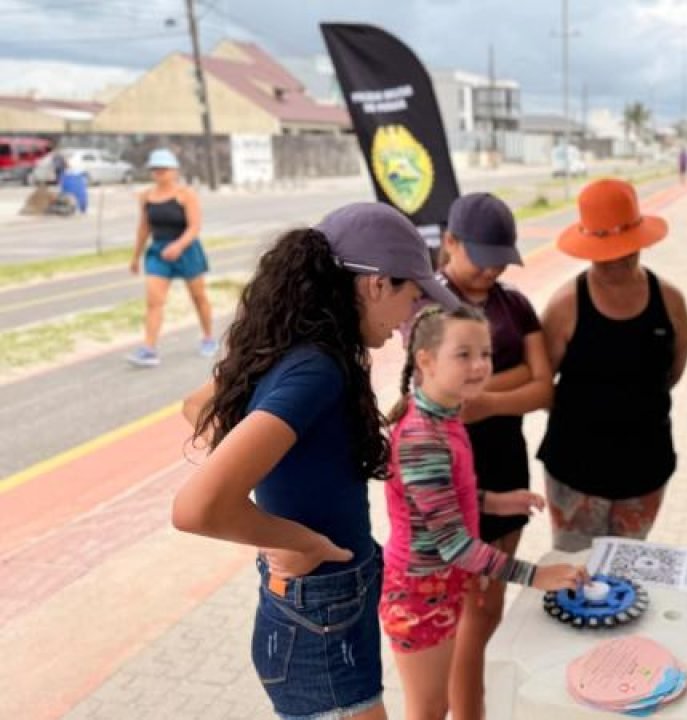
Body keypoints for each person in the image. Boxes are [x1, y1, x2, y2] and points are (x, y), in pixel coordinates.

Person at [172, 202, 458, 720]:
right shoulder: (317, 370)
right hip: (320, 622)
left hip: (318, 608)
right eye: (411, 296)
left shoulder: (290, 345)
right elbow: (196, 508)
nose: (408, 317)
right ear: (377, 284)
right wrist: (296, 540)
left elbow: (198, 406)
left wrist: (266, 478)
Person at [383, 305, 587, 720]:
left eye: (486, 354)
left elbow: (442, 499)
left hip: (442, 583)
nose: (479, 366)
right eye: (464, 354)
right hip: (418, 593)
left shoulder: (446, 413)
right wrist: (536, 576)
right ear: (426, 361)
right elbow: (453, 544)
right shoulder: (423, 436)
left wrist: (497, 501)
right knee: (428, 709)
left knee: (437, 704)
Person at [428, 193, 555, 720]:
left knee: (488, 603)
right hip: (452, 473)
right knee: (467, 609)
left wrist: (485, 400)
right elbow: (442, 392)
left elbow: (544, 386)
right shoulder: (429, 303)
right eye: (482, 258)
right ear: (450, 242)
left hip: (505, 460)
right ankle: (466, 710)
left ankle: (475, 703)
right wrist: (513, 379)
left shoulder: (514, 304)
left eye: (501, 259)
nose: (492, 270)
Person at [538, 178, 687, 552]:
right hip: (575, 470)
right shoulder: (565, 306)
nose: (617, 261)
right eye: (605, 254)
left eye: (626, 252)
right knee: (574, 567)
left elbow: (673, 371)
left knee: (626, 566)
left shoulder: (670, 301)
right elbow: (542, 385)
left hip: (645, 467)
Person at [126, 148, 216, 368]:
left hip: (186, 250)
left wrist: (179, 245)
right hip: (159, 252)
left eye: (163, 169)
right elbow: (144, 228)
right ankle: (149, 349)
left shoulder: (185, 194)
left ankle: (208, 337)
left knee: (198, 296)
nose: (159, 173)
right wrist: (136, 256)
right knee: (154, 301)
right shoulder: (146, 196)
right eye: (155, 169)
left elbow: (195, 226)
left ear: (174, 171)